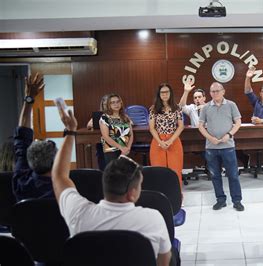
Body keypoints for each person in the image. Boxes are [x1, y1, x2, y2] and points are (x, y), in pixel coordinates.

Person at [51, 105, 172, 266]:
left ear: (104, 185)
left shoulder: (79, 213)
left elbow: (58, 176)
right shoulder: (152, 219)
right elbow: (163, 262)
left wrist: (70, 131)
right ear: (132, 193)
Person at [198, 82, 244, 211]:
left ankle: (237, 201)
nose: (215, 93)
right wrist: (210, 137)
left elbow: (238, 122)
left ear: (223, 91)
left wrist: (229, 135)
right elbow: (200, 125)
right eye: (212, 91)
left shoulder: (231, 105)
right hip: (211, 147)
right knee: (215, 175)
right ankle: (220, 200)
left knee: (233, 175)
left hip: (228, 146)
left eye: (217, 91)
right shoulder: (206, 107)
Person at [12, 73, 57, 202]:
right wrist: (71, 131)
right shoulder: (63, 189)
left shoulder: (21, 183)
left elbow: (22, 138)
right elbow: (22, 140)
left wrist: (29, 98)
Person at [149, 83, 184, 189]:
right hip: (158, 141)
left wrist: (171, 141)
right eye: (162, 92)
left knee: (175, 171)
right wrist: (160, 142)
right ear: (159, 94)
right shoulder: (153, 109)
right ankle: (161, 197)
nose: (164, 94)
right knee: (159, 171)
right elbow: (152, 128)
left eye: (167, 92)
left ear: (170, 93)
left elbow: (181, 126)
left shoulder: (177, 108)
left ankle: (177, 197)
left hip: (173, 141)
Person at [99, 93, 134, 166]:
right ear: (109, 105)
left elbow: (131, 134)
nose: (116, 104)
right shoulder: (105, 118)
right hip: (111, 151)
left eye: (118, 102)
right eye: (113, 102)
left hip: (125, 150)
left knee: (125, 174)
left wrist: (128, 148)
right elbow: (106, 137)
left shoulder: (125, 117)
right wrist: (120, 147)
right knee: (114, 174)